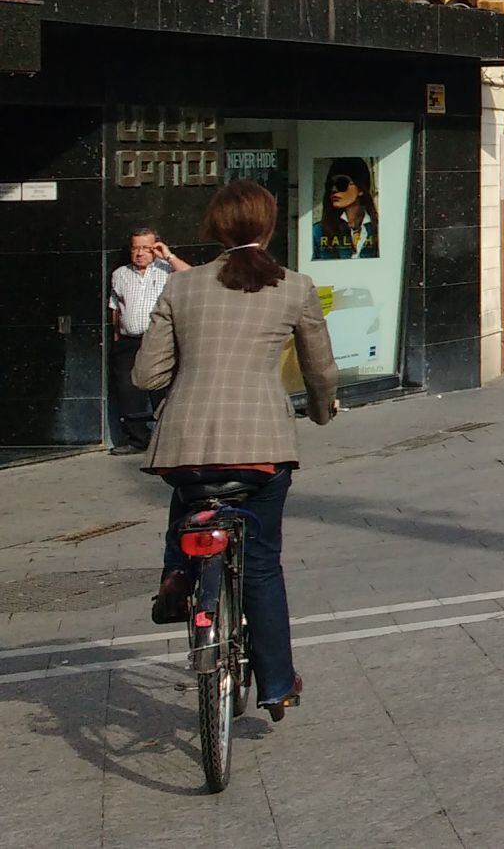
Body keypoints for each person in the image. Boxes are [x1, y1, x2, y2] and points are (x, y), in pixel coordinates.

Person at [133, 179, 338, 716]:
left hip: (184, 444)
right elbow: (319, 371)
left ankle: (178, 570)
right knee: (262, 564)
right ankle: (275, 684)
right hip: (261, 446)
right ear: (268, 227)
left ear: (215, 228)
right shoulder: (295, 287)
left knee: (191, 498)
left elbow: (146, 373)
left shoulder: (181, 288)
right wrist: (321, 411)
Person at [108, 228, 191, 455]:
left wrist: (168, 256)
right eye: (135, 248)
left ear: (156, 248)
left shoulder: (167, 270)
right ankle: (137, 439)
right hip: (128, 340)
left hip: (159, 339)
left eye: (146, 248)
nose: (139, 253)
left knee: (161, 388)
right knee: (127, 389)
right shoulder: (120, 274)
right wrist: (117, 335)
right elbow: (115, 307)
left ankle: (168, 439)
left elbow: (194, 277)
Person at [312, 159, 378, 259]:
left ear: (360, 189)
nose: (334, 190)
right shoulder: (318, 232)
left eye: (341, 184)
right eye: (330, 185)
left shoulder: (378, 229)